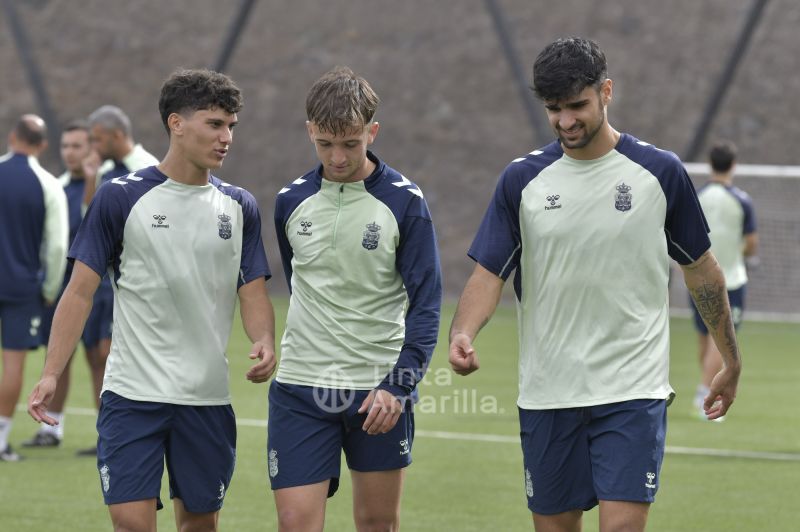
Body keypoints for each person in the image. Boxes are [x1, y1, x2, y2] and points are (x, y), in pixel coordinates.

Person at [448, 37, 742, 532]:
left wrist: (730, 360)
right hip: (548, 392)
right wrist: (463, 332)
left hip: (632, 389)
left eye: (577, 105)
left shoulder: (660, 172)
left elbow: (702, 270)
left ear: (606, 92)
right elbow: (489, 272)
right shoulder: (521, 180)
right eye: (554, 109)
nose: (565, 121)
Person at [28, 68, 276, 532]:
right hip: (132, 394)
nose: (226, 137)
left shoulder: (240, 206)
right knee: (131, 523)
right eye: (214, 124)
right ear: (176, 123)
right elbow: (78, 292)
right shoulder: (120, 198)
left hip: (205, 398)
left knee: (200, 525)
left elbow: (253, 289)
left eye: (230, 126)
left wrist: (263, 338)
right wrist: (51, 373)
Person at [270, 66, 442, 531]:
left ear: (372, 131)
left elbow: (426, 304)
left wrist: (399, 385)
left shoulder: (405, 202)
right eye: (325, 143)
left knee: (376, 523)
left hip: (377, 391)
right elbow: (300, 282)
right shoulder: (290, 202)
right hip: (301, 386)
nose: (338, 157)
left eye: (351, 143)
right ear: (310, 131)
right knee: (295, 523)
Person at [21, 120, 115, 451]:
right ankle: (51, 430)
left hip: (100, 290)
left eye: (77, 146)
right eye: (65, 146)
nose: (70, 153)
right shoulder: (57, 188)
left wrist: (91, 180)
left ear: (92, 149)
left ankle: (107, 435)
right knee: (58, 356)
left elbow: (98, 226)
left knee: (100, 357)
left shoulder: (107, 185)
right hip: (62, 287)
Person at [0, 114, 69, 462]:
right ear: (42, 145)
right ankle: (0, 440)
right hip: (22, 288)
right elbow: (56, 247)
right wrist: (51, 289)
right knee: (13, 363)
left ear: (12, 137)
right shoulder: (48, 184)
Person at [690, 140, 757, 421]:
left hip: (699, 279)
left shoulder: (697, 196)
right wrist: (737, 253)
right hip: (731, 281)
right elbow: (751, 244)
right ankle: (706, 394)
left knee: (705, 337)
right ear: (734, 165)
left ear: (709, 164)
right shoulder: (742, 200)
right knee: (722, 341)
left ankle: (704, 388)